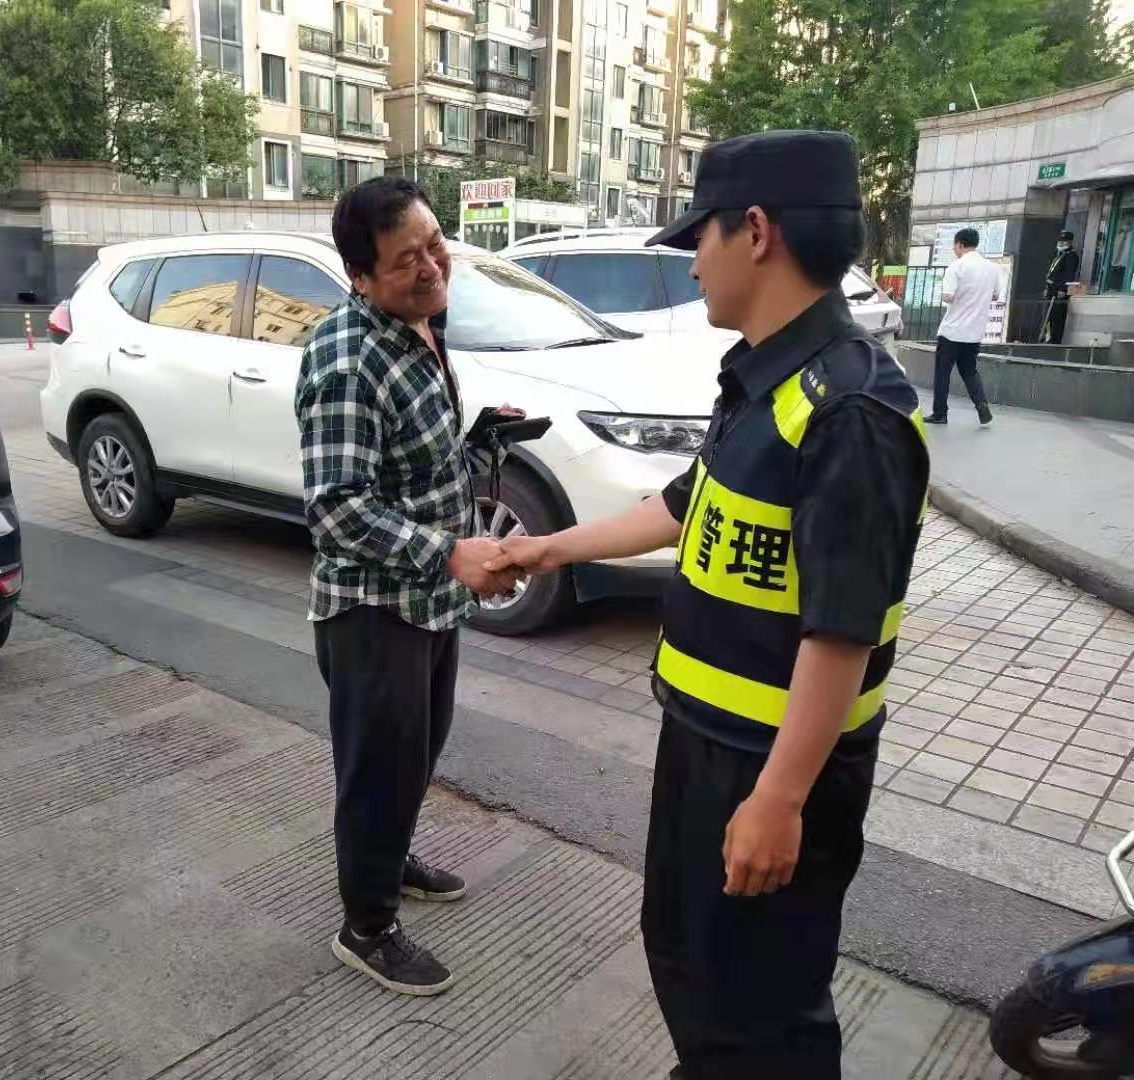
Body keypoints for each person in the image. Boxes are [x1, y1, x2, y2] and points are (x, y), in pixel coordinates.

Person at [486, 130, 929, 1078]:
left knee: (763, 1010)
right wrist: (546, 548)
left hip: (771, 766)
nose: (692, 264)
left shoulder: (851, 412)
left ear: (756, 233)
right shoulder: (764, 378)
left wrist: (779, 798)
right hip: (704, 744)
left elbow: (841, 632)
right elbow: (683, 503)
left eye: (702, 238)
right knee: (688, 958)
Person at [294, 176, 518, 997]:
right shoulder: (347, 358)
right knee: (379, 773)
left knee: (417, 755)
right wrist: (450, 553)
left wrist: (478, 443)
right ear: (360, 276)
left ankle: (388, 860)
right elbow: (336, 509)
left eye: (434, 245)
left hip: (427, 604)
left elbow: (409, 464)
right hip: (374, 612)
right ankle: (367, 926)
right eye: (405, 261)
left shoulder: (420, 323)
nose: (431, 267)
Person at [927, 227, 998, 425]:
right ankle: (982, 406)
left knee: (942, 373)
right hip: (975, 331)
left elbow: (948, 297)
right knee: (969, 371)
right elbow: (995, 295)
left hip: (952, 331)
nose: (954, 249)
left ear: (959, 244)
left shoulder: (956, 267)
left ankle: (940, 413)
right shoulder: (992, 268)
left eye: (954, 245)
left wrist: (950, 293)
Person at [1045, 229, 1081, 345]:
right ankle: (1049, 337)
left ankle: (1055, 340)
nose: (1061, 243)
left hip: (1060, 290)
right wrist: (1047, 288)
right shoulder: (1059, 255)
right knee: (1050, 315)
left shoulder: (1071, 256)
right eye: (1060, 241)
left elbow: (1069, 274)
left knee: (1057, 316)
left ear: (1070, 242)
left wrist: (1062, 289)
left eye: (1064, 241)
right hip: (1052, 288)